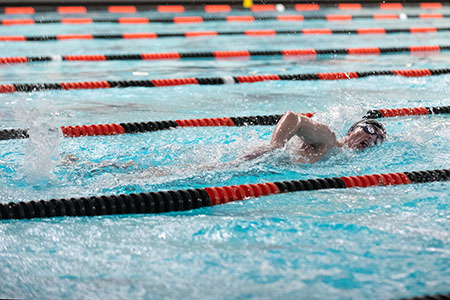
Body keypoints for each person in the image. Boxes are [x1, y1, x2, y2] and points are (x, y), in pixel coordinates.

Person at [239, 110, 387, 164]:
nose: (372, 138)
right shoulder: (330, 140)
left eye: (378, 139)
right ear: (350, 131)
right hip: (260, 162)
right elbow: (293, 118)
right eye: (370, 130)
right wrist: (276, 146)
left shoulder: (340, 158)